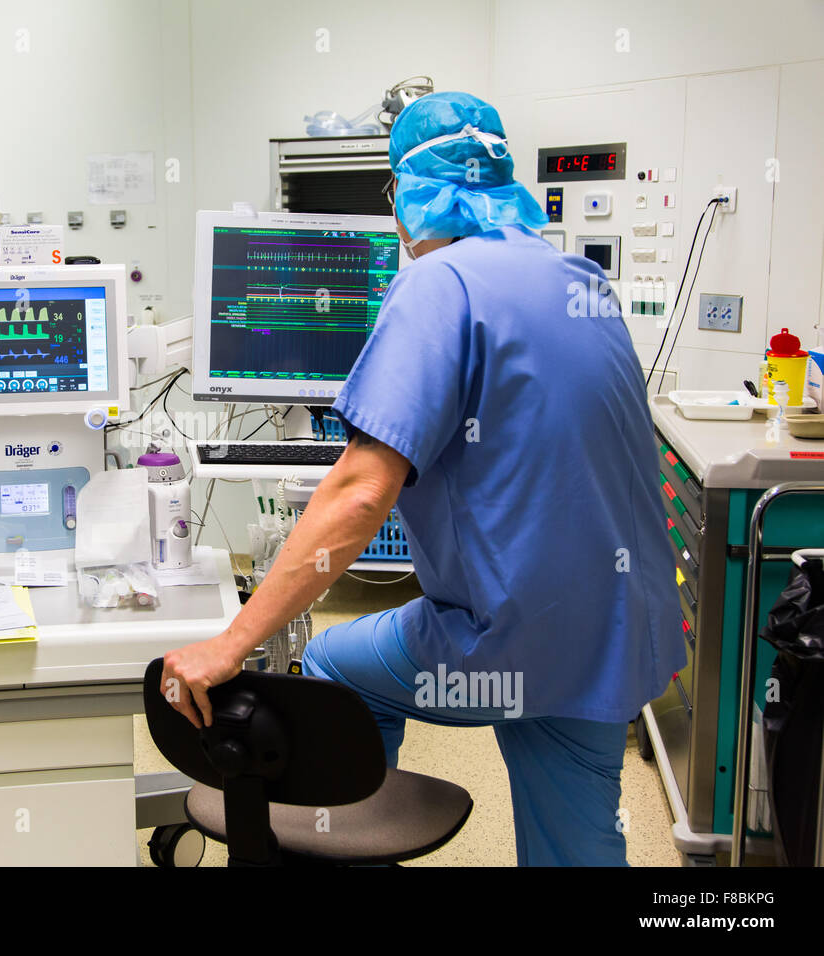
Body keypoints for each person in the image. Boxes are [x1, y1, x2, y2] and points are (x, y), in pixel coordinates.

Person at [159, 91, 685, 866]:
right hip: (611, 630)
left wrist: (234, 642)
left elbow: (361, 490)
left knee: (333, 664)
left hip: (510, 637)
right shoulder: (580, 281)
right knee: (577, 845)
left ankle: (349, 841)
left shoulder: (439, 284)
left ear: (410, 194)